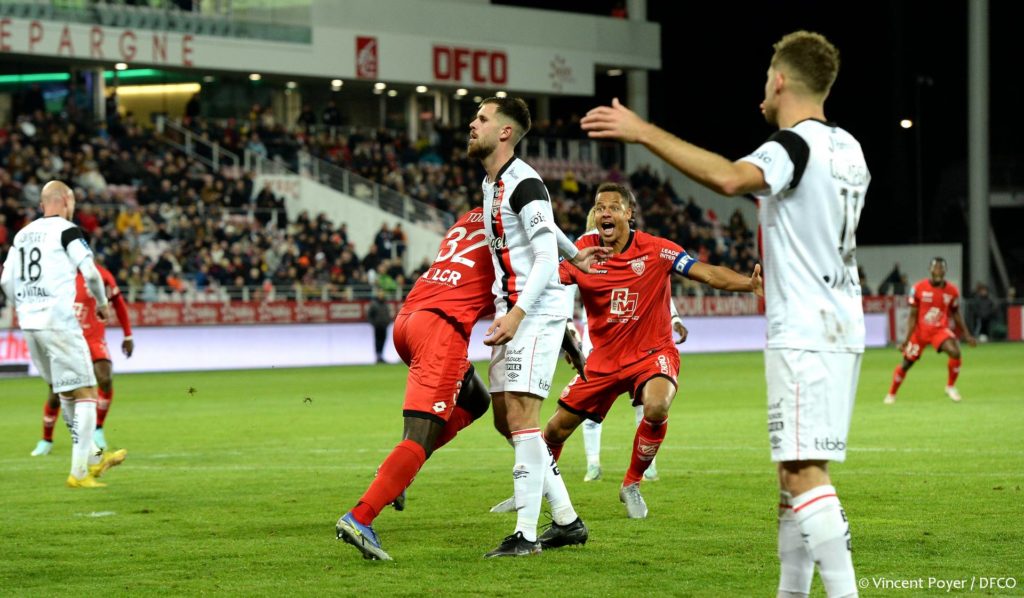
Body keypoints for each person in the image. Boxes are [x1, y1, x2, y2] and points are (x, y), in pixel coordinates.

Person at [583, 30, 868, 598]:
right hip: (842, 321)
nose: (763, 87)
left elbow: (730, 178)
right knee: (792, 477)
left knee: (805, 476)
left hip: (805, 330)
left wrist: (642, 132)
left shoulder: (795, 144)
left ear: (780, 80)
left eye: (766, 77)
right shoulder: (850, 148)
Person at [334, 207, 591, 560]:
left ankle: (397, 471)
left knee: (476, 400)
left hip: (409, 318)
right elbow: (534, 288)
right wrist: (569, 339)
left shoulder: (472, 217)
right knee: (419, 437)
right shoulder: (514, 231)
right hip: (441, 330)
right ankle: (361, 517)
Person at [542, 183, 762, 519]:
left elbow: (706, 273)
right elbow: (544, 286)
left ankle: (632, 484)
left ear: (629, 214)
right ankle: (532, 488)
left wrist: (748, 283)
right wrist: (564, 337)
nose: (605, 213)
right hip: (603, 359)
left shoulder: (657, 250)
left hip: (651, 353)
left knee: (657, 405)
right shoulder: (581, 252)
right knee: (554, 430)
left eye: (613, 207)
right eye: (599, 207)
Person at [470, 96, 605, 557]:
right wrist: (576, 254)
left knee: (523, 418)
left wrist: (518, 314)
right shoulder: (493, 182)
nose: (473, 125)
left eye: (482, 119)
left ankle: (525, 535)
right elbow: (548, 234)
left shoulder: (525, 182)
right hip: (511, 308)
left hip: (533, 311)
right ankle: (566, 520)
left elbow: (544, 258)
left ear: (505, 132)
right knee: (505, 420)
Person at [1, 181, 127, 488]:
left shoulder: (22, 234)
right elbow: (91, 272)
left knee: (66, 393)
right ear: (67, 201)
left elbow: (5, 281)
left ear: (42, 204)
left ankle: (95, 457)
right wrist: (102, 304)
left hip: (30, 325)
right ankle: (79, 473)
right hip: (58, 322)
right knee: (87, 393)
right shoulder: (68, 231)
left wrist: (25, 306)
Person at [573, 203, 688, 484]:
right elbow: (564, 289)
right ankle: (598, 464)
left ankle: (633, 466)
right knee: (593, 406)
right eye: (600, 212)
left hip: (635, 335)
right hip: (600, 338)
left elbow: (653, 285)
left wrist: (673, 318)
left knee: (644, 402)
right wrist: (569, 331)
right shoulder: (582, 248)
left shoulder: (633, 246)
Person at [31, 260, 135, 456]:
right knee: (56, 391)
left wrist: (128, 335)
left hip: (93, 338)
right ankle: (46, 440)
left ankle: (98, 429)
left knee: (105, 379)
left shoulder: (101, 274)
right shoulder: (58, 273)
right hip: (66, 339)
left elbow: (119, 303)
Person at [885, 257, 976, 404]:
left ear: (945, 271)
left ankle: (950, 387)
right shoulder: (918, 288)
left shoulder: (952, 291)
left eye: (941, 268)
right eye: (936, 268)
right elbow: (912, 316)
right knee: (906, 364)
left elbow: (956, 313)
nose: (938, 271)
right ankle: (891, 394)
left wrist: (967, 334)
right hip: (920, 332)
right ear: (930, 270)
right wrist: (906, 340)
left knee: (955, 352)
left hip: (939, 331)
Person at [366, 289, 392, 364]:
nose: (381, 296)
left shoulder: (385, 304)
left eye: (382, 294)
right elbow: (369, 315)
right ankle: (378, 356)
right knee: (378, 341)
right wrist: (374, 323)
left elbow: (388, 314)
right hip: (377, 326)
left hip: (384, 326)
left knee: (383, 340)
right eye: (380, 294)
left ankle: (381, 356)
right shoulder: (374, 304)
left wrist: (388, 322)